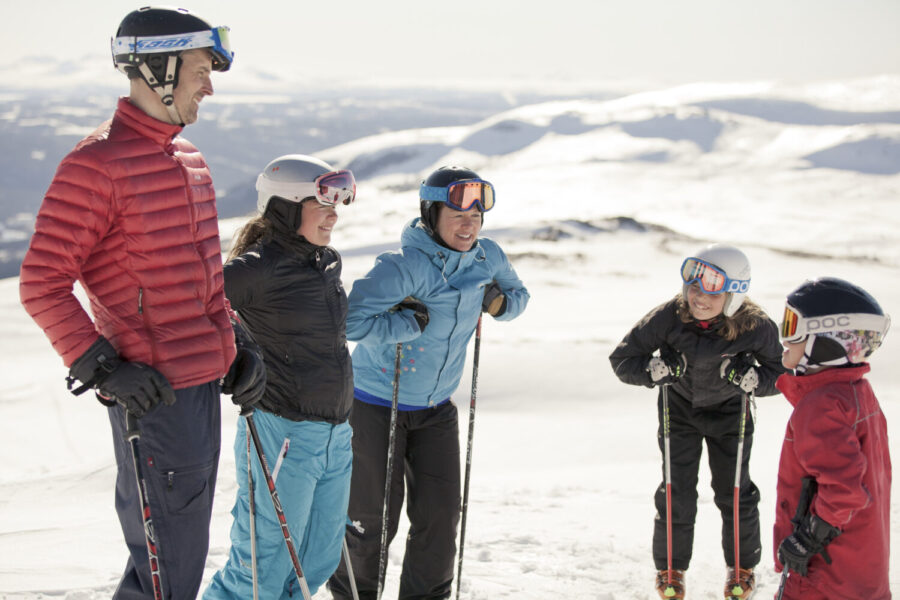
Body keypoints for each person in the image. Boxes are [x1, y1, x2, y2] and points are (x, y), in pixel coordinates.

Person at [18, 7, 266, 599]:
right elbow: (41, 280)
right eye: (201, 70)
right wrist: (102, 366)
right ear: (159, 68)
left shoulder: (190, 163)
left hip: (201, 388)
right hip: (153, 395)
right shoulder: (96, 165)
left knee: (182, 557)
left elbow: (202, 283)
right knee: (165, 568)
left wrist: (236, 347)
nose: (209, 86)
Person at [327, 166, 530, 600]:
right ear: (431, 213)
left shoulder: (487, 257)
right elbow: (348, 323)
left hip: (437, 409)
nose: (468, 224)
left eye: (476, 216)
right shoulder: (403, 268)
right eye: (457, 215)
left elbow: (519, 298)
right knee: (371, 520)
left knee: (440, 521)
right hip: (376, 403)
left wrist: (500, 302)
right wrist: (401, 325)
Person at [203, 155, 357, 598]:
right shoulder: (258, 267)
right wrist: (231, 354)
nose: (333, 214)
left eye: (337, 204)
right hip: (281, 433)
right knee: (260, 571)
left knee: (314, 564)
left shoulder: (324, 262)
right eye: (321, 203)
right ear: (286, 207)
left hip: (335, 437)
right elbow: (197, 303)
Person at [608, 243, 787, 600]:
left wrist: (751, 379)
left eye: (712, 291)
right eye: (693, 286)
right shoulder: (668, 318)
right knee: (677, 491)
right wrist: (654, 371)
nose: (699, 297)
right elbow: (623, 360)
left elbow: (780, 373)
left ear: (734, 295)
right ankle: (671, 569)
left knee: (734, 492)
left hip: (730, 414)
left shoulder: (756, 326)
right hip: (680, 412)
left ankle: (742, 567)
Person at [773, 277, 891, 599]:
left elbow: (844, 489)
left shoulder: (821, 405)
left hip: (824, 575)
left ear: (826, 341)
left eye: (793, 326)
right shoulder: (857, 392)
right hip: (861, 570)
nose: (784, 337)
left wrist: (807, 539)